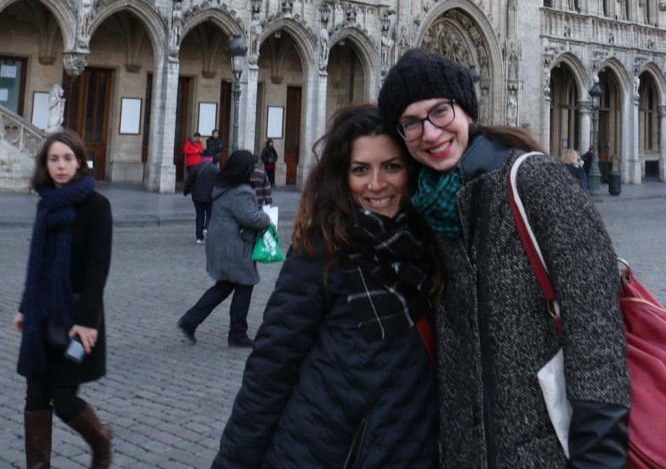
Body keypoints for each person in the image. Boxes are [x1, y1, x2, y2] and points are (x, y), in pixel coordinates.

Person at [377, 49, 630, 469]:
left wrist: (599, 459)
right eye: (411, 123)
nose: (430, 132)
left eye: (440, 111)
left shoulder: (535, 181)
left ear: (465, 108)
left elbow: (595, 330)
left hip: (546, 455)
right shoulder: (429, 213)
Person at [211, 105, 440, 469]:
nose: (377, 184)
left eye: (391, 167)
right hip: (327, 453)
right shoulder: (321, 252)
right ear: (342, 177)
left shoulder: (435, 250)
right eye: (360, 169)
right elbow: (270, 370)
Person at [13, 129, 113, 468]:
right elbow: (36, 262)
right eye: (54, 159)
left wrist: (86, 322)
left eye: (67, 159)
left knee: (66, 400)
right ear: (45, 164)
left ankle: (101, 443)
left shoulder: (97, 206)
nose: (60, 166)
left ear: (79, 162)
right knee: (36, 399)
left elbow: (98, 269)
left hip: (76, 319)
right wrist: (25, 308)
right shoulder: (46, 203)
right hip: (41, 317)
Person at [177, 151, 271, 348]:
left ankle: (190, 320)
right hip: (235, 245)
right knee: (245, 284)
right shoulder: (242, 191)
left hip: (221, 242)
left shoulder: (223, 185)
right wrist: (266, 218)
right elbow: (250, 218)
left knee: (225, 285)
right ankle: (237, 334)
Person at [183, 159, 219, 243]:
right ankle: (206, 228)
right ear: (211, 157)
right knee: (210, 214)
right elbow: (219, 182)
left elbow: (189, 181)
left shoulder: (196, 167)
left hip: (197, 196)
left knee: (199, 216)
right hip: (210, 197)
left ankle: (199, 238)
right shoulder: (215, 168)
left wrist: (186, 191)